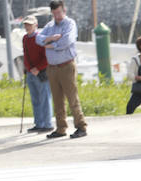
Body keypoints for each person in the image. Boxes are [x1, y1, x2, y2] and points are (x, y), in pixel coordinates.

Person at [36, 0, 87, 139]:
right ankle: (61, 128)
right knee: (57, 99)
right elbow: (38, 39)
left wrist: (51, 45)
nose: (57, 16)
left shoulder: (69, 24)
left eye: (58, 12)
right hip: (52, 68)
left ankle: (81, 126)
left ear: (64, 10)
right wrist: (51, 38)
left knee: (72, 98)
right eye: (54, 13)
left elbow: (67, 41)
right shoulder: (49, 26)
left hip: (66, 66)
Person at [21, 15, 52, 133]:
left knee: (45, 98)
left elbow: (46, 56)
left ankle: (47, 124)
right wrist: (28, 68)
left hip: (41, 72)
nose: (27, 26)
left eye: (30, 24)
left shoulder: (40, 38)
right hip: (30, 72)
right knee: (35, 99)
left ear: (36, 25)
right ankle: (39, 123)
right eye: (26, 24)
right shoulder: (25, 38)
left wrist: (38, 68)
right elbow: (25, 55)